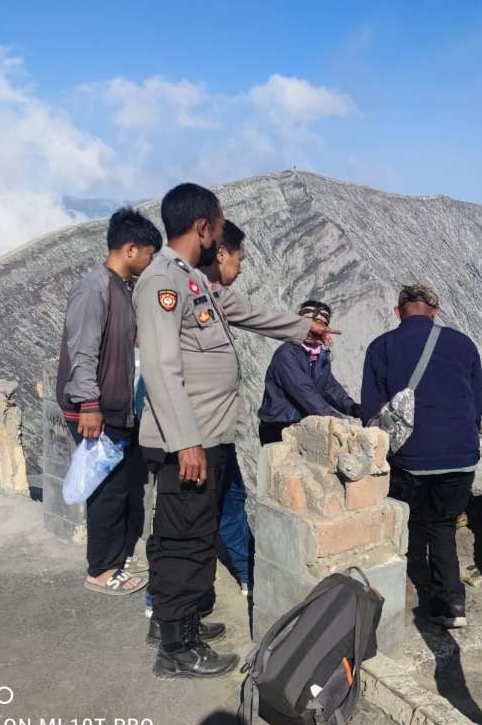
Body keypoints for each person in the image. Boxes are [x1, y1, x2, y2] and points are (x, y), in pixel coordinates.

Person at [135, 183, 338, 679]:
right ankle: (177, 649)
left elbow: (245, 313)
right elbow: (161, 369)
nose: (223, 236)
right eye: (220, 226)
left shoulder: (193, 281)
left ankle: (175, 623)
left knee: (191, 533)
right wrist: (186, 441)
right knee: (184, 539)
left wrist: (300, 328)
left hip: (207, 436)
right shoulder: (162, 282)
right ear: (203, 228)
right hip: (191, 440)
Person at [361, 284, 482, 629]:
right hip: (461, 456)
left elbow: (372, 410)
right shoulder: (463, 344)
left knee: (407, 516)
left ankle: (404, 582)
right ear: (435, 311)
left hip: (410, 456)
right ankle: (451, 603)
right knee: (442, 525)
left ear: (398, 312)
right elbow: (478, 405)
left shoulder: (381, 347)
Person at [56, 207, 161, 596]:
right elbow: (82, 350)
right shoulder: (94, 287)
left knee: (123, 484)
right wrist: (88, 405)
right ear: (130, 249)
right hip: (95, 409)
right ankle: (100, 571)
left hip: (115, 407)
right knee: (107, 489)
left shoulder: (122, 288)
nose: (150, 263)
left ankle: (115, 558)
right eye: (149, 254)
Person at [202, 219, 253, 599]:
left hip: (221, 431)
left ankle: (247, 572)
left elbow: (258, 317)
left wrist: (302, 329)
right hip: (196, 436)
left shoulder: (213, 295)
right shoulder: (185, 294)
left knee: (233, 501)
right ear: (221, 252)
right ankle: (173, 610)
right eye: (239, 257)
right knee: (188, 520)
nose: (241, 265)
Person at [258, 299, 361, 446]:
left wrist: (353, 408)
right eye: (309, 323)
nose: (314, 329)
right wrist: (337, 420)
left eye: (321, 324)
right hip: (278, 427)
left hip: (300, 426)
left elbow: (328, 386)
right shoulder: (287, 354)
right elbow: (304, 392)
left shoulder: (319, 355)